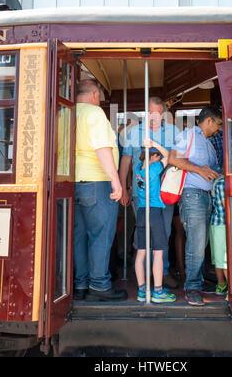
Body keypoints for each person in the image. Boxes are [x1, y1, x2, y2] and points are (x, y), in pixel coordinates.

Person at [73, 79, 127, 302]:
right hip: (96, 182)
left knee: (79, 238)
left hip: (72, 184)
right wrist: (116, 180)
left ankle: (80, 284)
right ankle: (99, 285)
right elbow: (102, 148)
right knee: (101, 236)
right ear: (95, 94)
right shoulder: (94, 114)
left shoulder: (64, 112)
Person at [119, 96, 179, 289]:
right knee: (144, 235)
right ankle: (145, 279)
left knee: (165, 232)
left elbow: (180, 159)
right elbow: (126, 161)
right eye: (149, 113)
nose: (152, 117)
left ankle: (164, 272)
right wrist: (123, 189)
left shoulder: (173, 131)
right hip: (141, 194)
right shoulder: (134, 132)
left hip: (166, 192)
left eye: (156, 113)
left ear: (163, 113)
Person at [169, 106, 223, 306]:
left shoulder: (208, 143)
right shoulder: (188, 134)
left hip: (206, 196)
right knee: (197, 244)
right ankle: (192, 287)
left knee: (202, 244)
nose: (219, 128)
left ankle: (197, 282)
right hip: (192, 195)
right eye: (218, 123)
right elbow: (173, 158)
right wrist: (199, 169)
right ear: (209, 120)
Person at [135, 138, 176, 303]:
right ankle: (158, 292)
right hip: (154, 212)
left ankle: (142, 290)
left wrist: (149, 148)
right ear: (152, 157)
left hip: (141, 212)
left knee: (140, 252)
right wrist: (154, 144)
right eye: (157, 156)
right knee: (158, 252)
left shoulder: (139, 169)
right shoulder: (154, 169)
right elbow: (169, 156)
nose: (160, 158)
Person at [209, 174, 228, 296]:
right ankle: (230, 290)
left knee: (219, 257)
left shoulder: (220, 181)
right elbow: (227, 206)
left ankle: (221, 285)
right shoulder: (222, 183)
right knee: (224, 258)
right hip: (221, 224)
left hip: (219, 224)